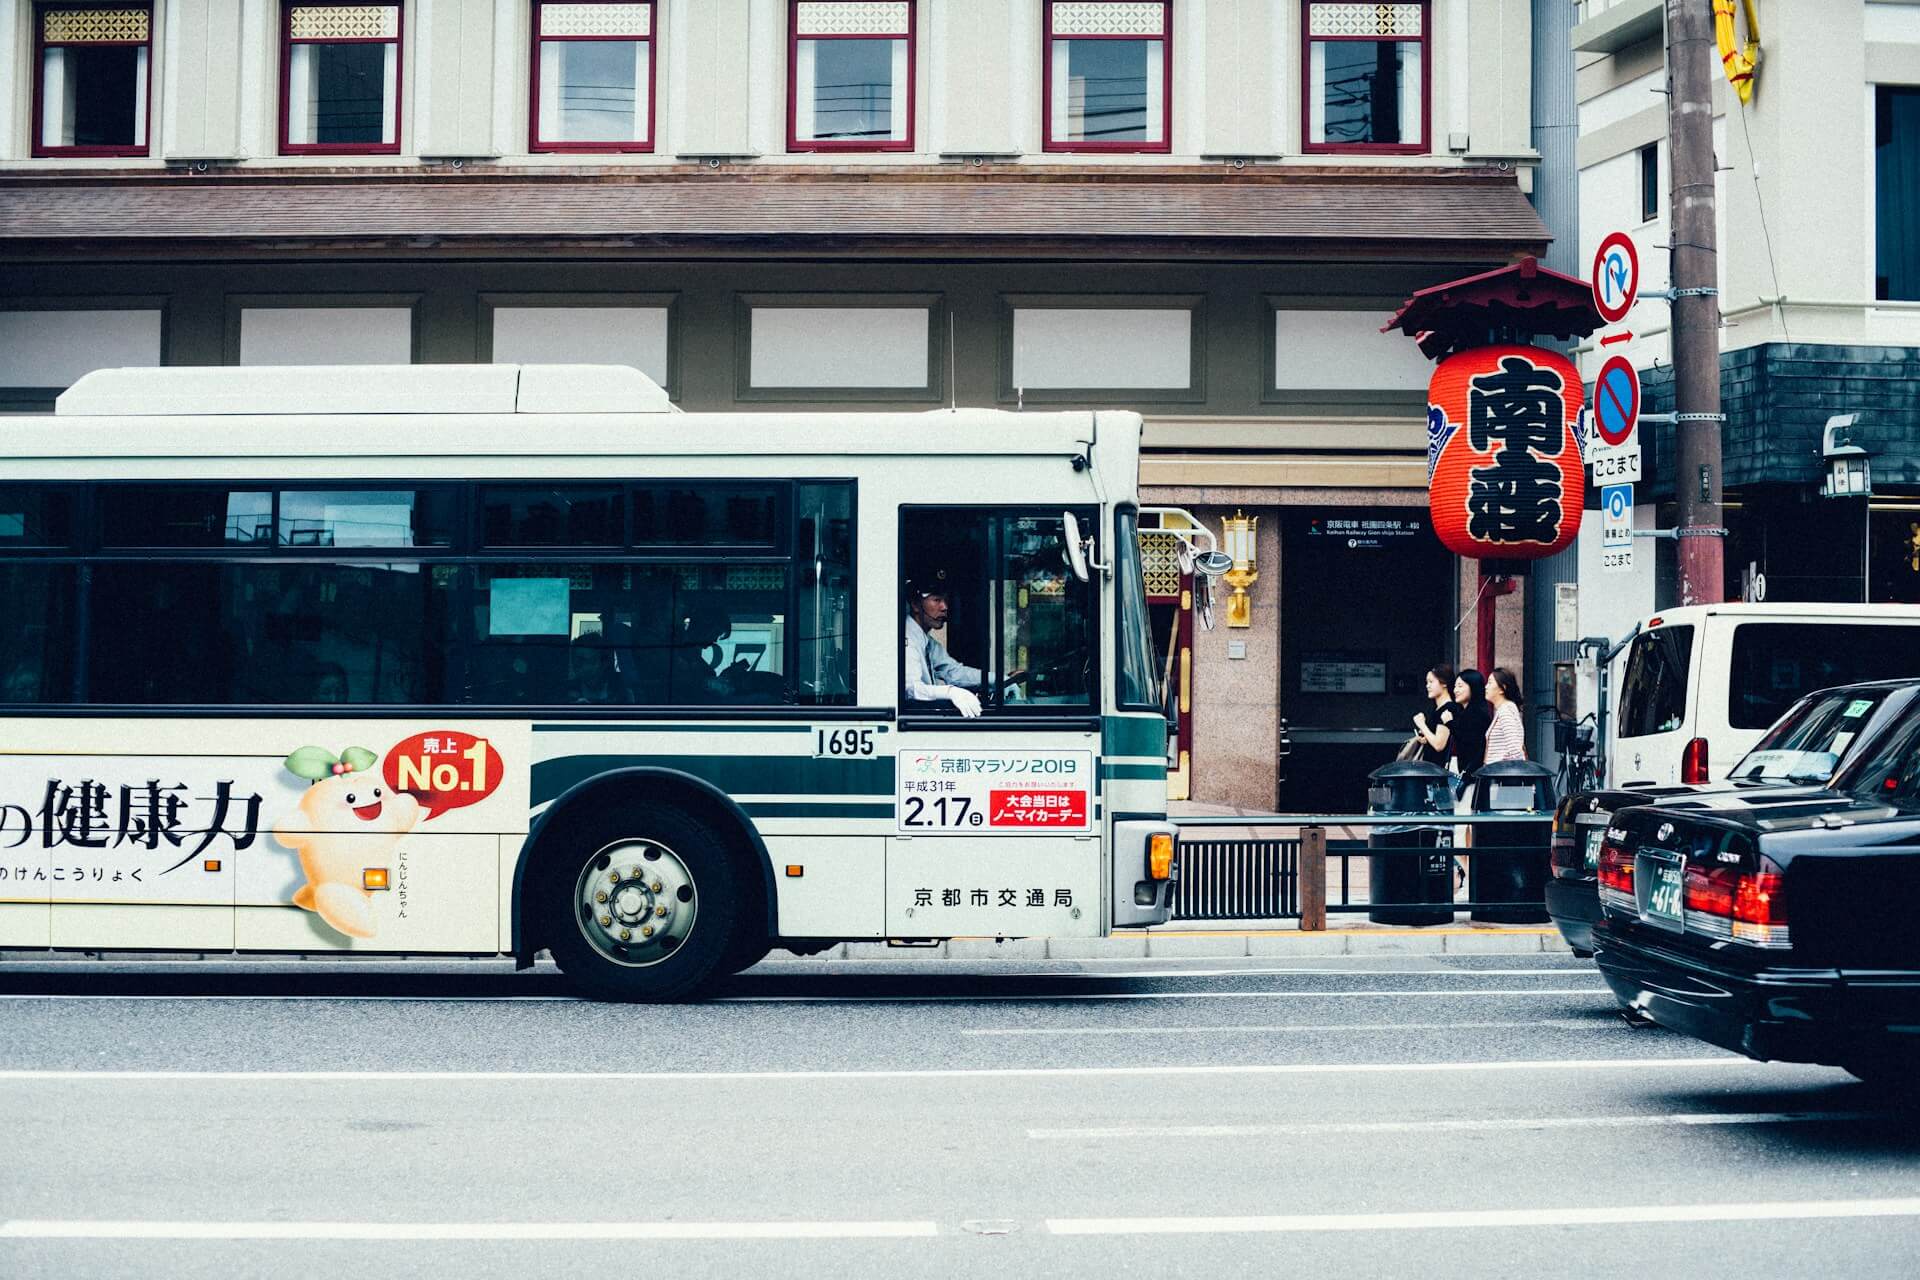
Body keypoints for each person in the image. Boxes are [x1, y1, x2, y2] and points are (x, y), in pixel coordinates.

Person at [904, 575, 1017, 717]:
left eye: (945, 600)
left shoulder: (928, 642)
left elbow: (953, 673)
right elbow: (910, 689)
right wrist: (951, 692)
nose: (944, 607)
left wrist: (997, 679)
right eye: (937, 600)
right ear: (915, 605)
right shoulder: (906, 639)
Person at [1448, 669, 1490, 790]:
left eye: (1460, 686)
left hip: (1473, 777)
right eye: (1455, 686)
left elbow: (1469, 742)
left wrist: (1450, 723)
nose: (1456, 690)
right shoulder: (1463, 711)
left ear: (1473, 687)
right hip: (1467, 773)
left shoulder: (1478, 714)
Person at [1410, 664, 1456, 767]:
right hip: (1431, 769)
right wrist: (1425, 736)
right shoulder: (1437, 709)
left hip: (1438, 772)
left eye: (1431, 682)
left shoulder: (1448, 709)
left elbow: (1439, 745)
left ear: (1444, 683)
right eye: (1427, 682)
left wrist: (1422, 725)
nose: (1427, 686)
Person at [1484, 666, 1528, 764]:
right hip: (1499, 773)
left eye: (1490, 682)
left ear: (1502, 688)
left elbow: (1515, 750)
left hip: (1502, 775)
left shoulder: (1506, 710)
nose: (1486, 686)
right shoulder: (1504, 709)